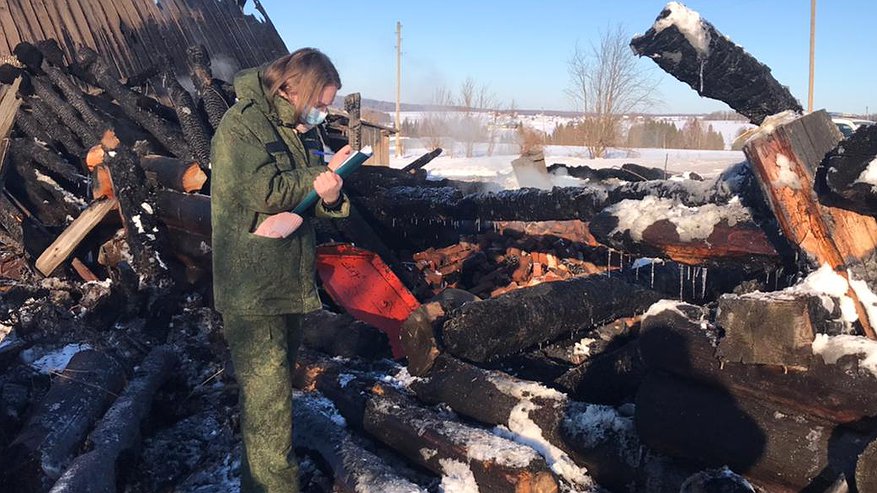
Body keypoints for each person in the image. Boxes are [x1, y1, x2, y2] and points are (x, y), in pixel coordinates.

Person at [210, 48, 352, 493]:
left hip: (284, 282)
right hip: (253, 288)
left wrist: (330, 191)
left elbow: (305, 198)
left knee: (272, 400)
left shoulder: (294, 128)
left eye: (327, 104)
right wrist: (319, 178)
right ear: (291, 88)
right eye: (320, 101)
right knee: (267, 408)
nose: (323, 111)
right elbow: (266, 191)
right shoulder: (242, 127)